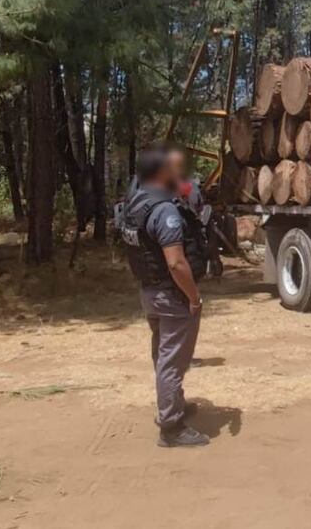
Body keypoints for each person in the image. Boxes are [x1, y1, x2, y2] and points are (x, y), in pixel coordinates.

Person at [118, 144, 210, 447]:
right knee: (172, 359)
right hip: (171, 296)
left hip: (150, 292)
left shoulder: (135, 203)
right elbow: (175, 262)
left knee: (163, 354)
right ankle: (171, 427)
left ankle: (175, 404)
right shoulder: (165, 209)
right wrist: (194, 298)